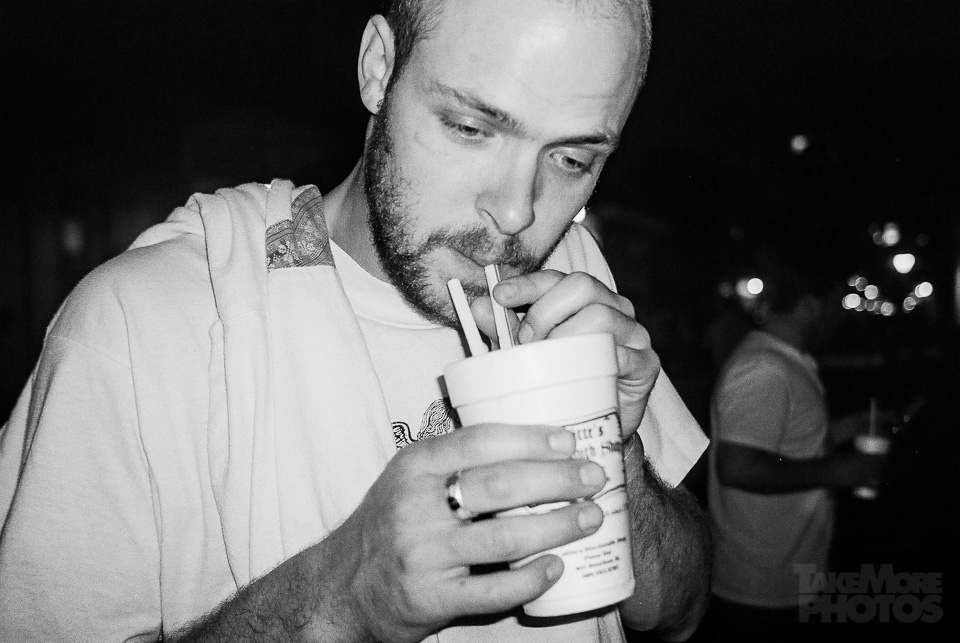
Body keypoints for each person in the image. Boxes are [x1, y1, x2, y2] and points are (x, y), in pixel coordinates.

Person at [0, 1, 711, 641]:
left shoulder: (572, 277)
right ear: (378, 69)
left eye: (573, 158)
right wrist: (339, 602)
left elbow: (681, 608)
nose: (517, 211)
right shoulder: (139, 327)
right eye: (472, 128)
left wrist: (616, 454)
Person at [705, 258, 888, 640]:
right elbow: (738, 467)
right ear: (808, 306)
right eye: (835, 305)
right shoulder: (764, 368)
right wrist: (840, 471)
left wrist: (851, 427)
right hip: (759, 587)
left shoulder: (784, 361)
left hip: (786, 574)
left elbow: (786, 442)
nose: (839, 316)